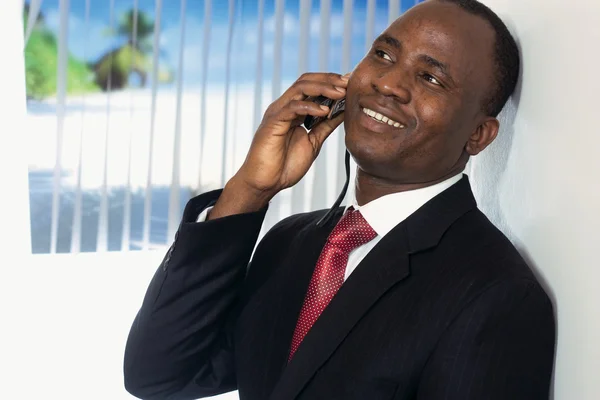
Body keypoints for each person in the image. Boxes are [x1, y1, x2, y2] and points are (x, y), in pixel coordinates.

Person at [124, 0, 556, 399]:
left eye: (430, 78)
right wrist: (251, 189)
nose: (387, 84)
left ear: (478, 135)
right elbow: (160, 373)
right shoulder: (290, 242)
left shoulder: (496, 295)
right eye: (383, 55)